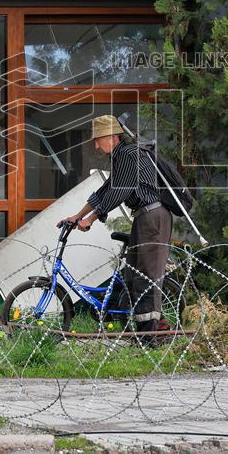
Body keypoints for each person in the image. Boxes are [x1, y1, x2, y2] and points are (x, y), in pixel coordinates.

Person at [60, 114, 172, 342]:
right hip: (145, 217)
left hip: (153, 216)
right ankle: (150, 331)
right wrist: (77, 216)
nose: (95, 145)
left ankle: (153, 337)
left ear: (111, 137)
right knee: (133, 275)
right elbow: (106, 189)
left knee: (145, 277)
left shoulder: (129, 155)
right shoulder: (122, 157)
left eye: (98, 139)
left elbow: (118, 192)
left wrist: (91, 219)